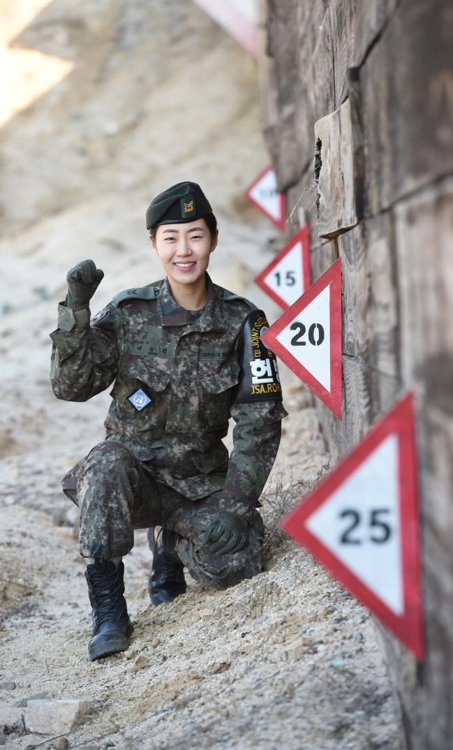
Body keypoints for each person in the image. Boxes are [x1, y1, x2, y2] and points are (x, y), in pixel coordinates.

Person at [50, 181, 287, 661]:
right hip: (132, 480)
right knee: (105, 462)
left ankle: (171, 541)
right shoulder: (128, 312)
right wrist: (76, 311)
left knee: (236, 562)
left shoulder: (245, 321)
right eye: (171, 237)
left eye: (196, 236)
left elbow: (259, 421)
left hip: (199, 483)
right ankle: (110, 608)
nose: (185, 250)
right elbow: (71, 387)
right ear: (154, 244)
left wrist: (237, 506)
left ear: (213, 241)